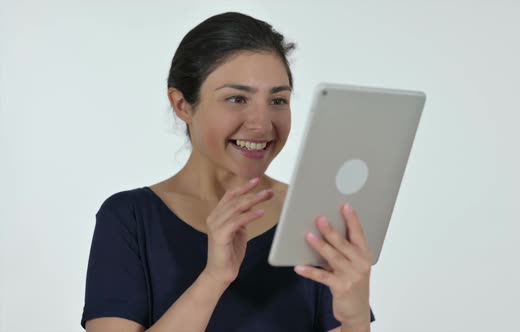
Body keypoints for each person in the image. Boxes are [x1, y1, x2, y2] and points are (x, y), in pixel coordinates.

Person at [82, 12, 375, 332]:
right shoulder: (130, 219)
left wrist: (356, 318)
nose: (262, 124)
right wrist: (214, 278)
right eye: (237, 98)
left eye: (278, 100)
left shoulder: (314, 217)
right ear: (182, 105)